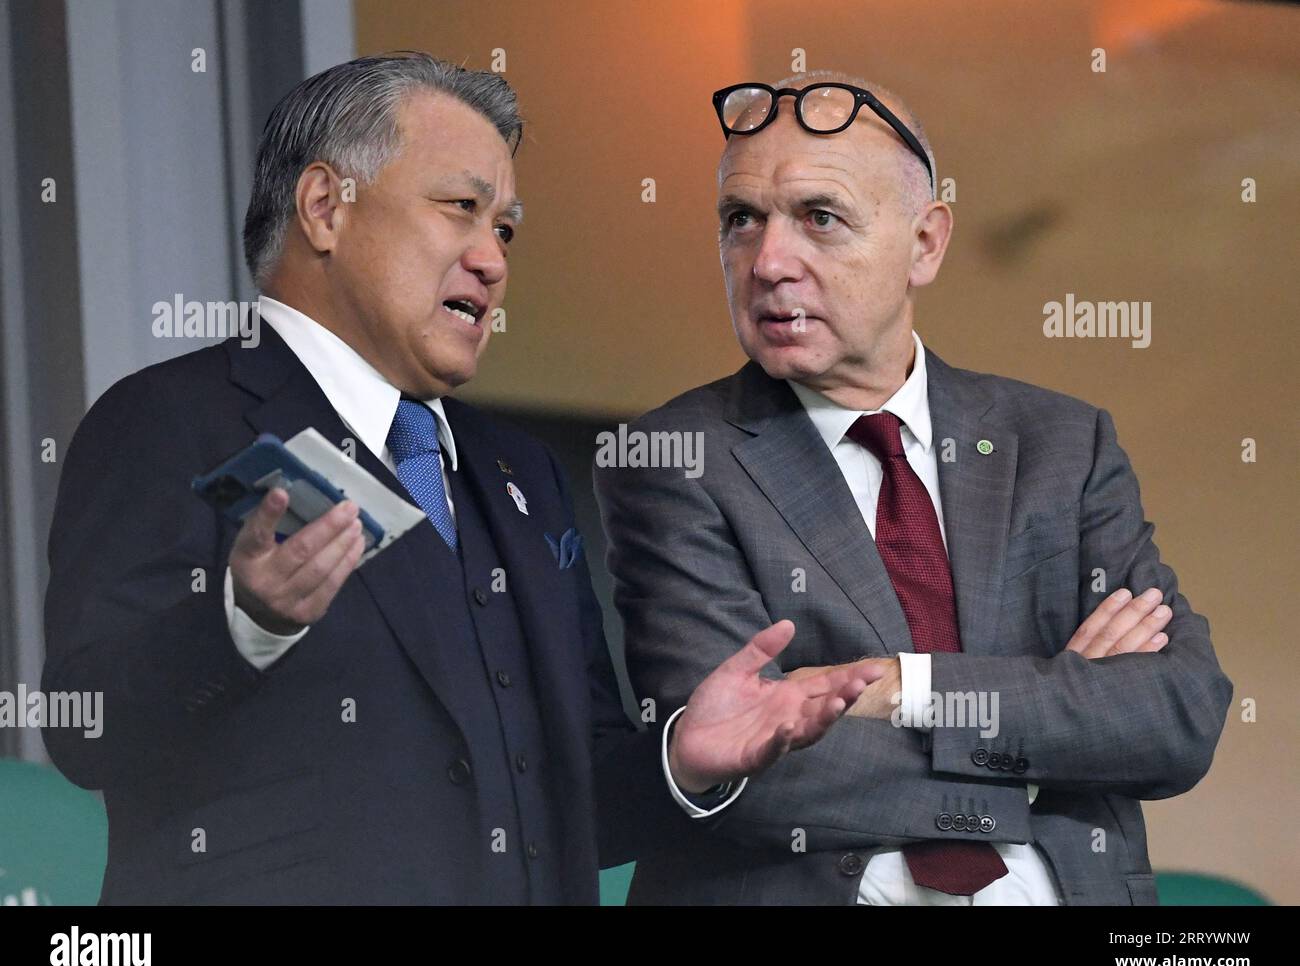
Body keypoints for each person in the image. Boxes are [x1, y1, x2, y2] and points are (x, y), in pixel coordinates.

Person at [39, 54, 880, 905]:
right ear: (327, 208)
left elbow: (573, 799)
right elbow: (88, 729)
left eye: (505, 228)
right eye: (461, 209)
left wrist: (682, 760)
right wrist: (243, 621)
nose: (492, 259)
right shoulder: (172, 419)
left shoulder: (523, 473)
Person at [594, 72, 1233, 905]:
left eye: (819, 218)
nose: (769, 262)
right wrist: (1048, 743)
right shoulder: (672, 457)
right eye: (740, 220)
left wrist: (910, 688)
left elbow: (1176, 716)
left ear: (926, 244)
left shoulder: (1064, 444)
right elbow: (752, 767)